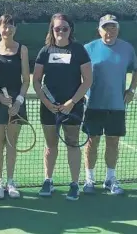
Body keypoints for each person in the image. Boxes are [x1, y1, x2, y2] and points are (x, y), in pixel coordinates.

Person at [33, 13, 93, 201]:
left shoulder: (79, 50)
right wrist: (48, 103)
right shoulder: (44, 51)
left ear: (70, 30)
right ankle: (48, 180)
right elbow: (35, 81)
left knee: (72, 143)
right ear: (52, 29)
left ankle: (74, 184)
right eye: (57, 28)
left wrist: (71, 102)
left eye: (64, 28)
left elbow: (87, 81)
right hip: (49, 107)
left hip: (72, 108)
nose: (61, 31)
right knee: (51, 145)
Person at [82, 14, 137, 195]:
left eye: (113, 27)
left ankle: (110, 179)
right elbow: (78, 71)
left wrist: (131, 90)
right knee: (92, 142)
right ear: (99, 30)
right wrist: (81, 94)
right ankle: (89, 179)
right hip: (93, 105)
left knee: (113, 143)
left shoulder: (127, 48)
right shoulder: (88, 48)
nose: (110, 31)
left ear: (118, 29)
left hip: (117, 105)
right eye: (106, 27)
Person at [0, 14, 30, 199]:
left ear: (15, 29)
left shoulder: (23, 50)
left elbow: (26, 80)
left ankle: (10, 181)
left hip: (16, 104)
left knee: (11, 143)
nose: (7, 29)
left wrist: (18, 102)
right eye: (4, 25)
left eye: (10, 25)